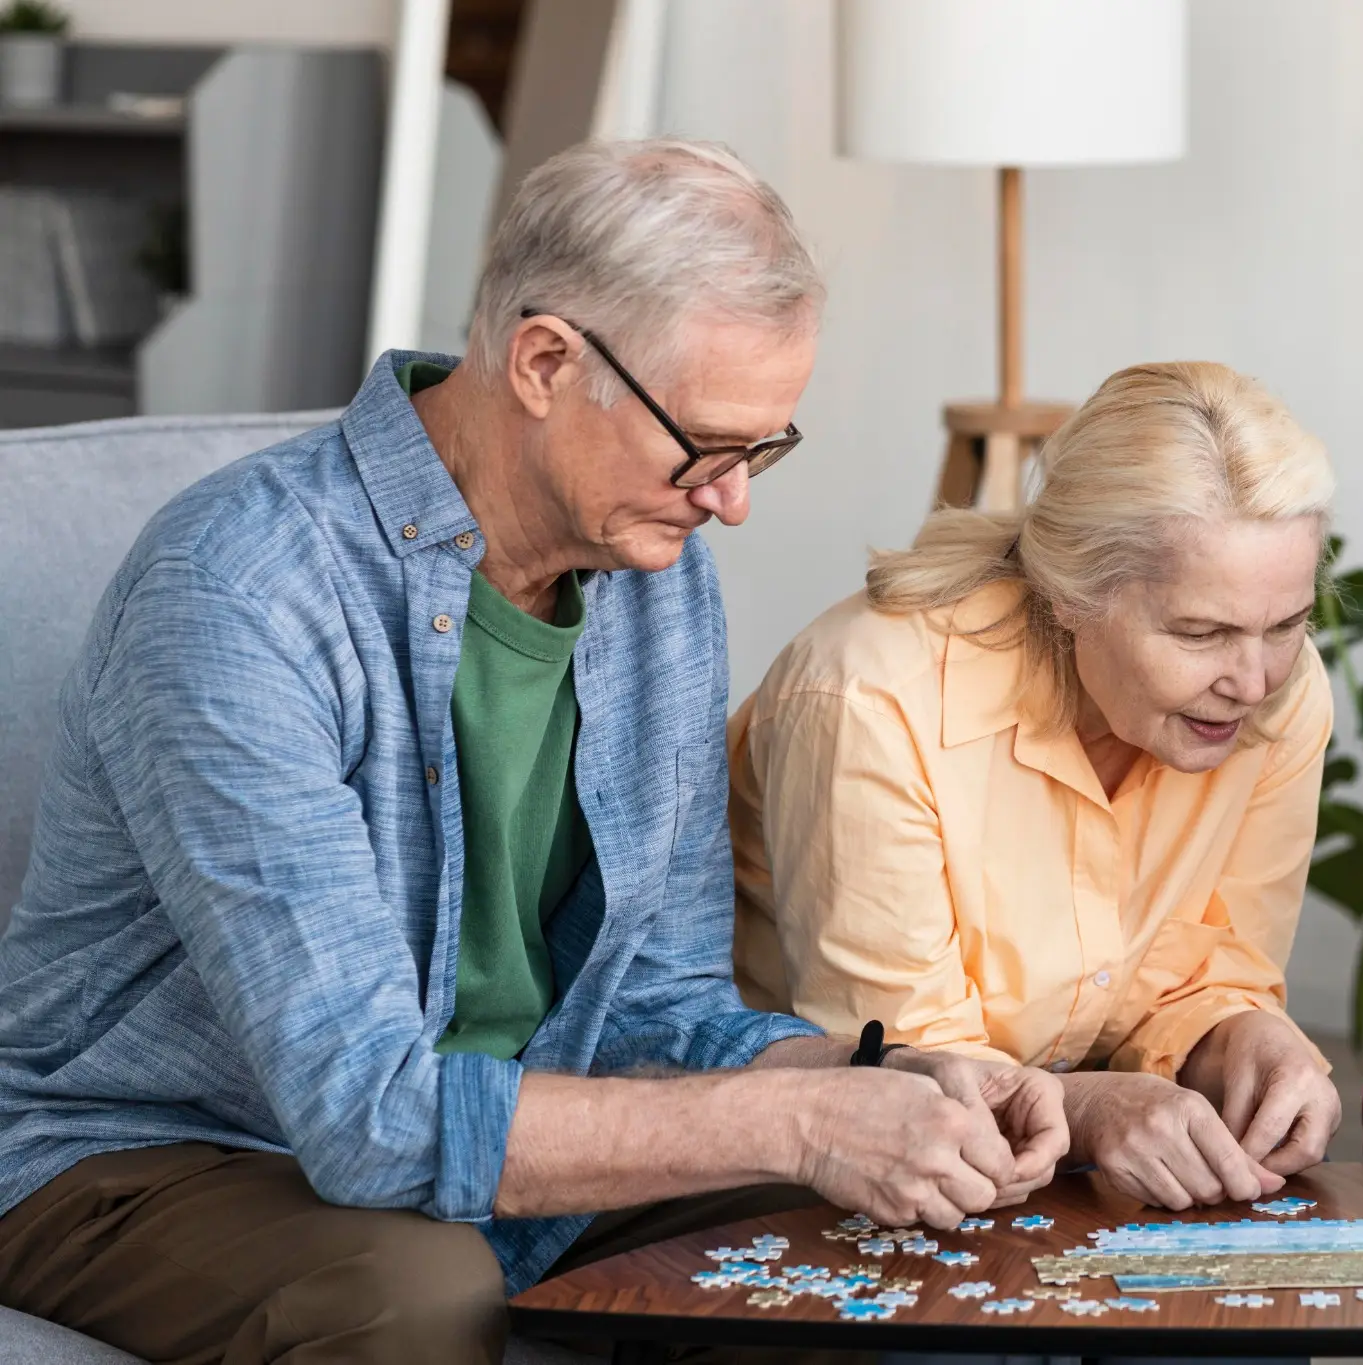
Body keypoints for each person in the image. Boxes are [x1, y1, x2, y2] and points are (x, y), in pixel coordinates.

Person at [0, 138, 1064, 1365]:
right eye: (709, 445)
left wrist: (883, 1077)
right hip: (154, 1152)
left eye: (763, 449)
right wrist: (795, 1119)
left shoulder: (655, 578)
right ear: (546, 362)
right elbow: (369, 1117)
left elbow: (657, 1005)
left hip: (506, 1127)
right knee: (413, 1290)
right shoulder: (240, 593)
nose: (733, 500)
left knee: (934, 1238)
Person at [728, 361, 1344, 1213]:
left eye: (1286, 623)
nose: (1253, 679)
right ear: (1068, 596)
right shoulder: (867, 697)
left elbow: (1205, 972)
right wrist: (1096, 1111)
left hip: (1050, 1183)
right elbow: (901, 1071)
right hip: (800, 1169)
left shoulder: (1282, 693)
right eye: (1201, 632)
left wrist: (1246, 1038)